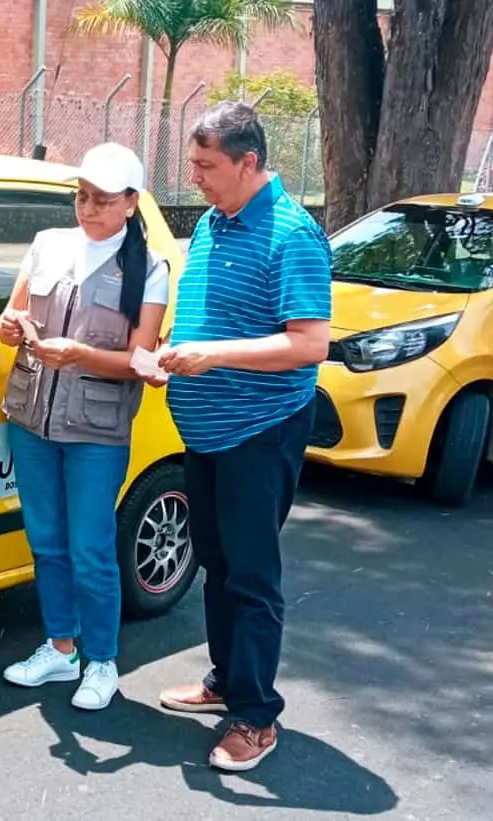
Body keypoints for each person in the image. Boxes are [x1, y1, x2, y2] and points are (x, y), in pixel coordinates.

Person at [153, 101, 332, 772]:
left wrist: (215, 355)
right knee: (217, 562)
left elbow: (309, 343)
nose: (193, 177)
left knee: (252, 575)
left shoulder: (292, 233)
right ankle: (226, 679)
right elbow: (207, 317)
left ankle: (256, 717)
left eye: (206, 165)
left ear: (248, 162)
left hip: (260, 431)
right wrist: (172, 353)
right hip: (209, 431)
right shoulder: (210, 223)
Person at [0, 142, 170, 711]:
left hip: (96, 429)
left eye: (101, 200)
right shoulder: (49, 245)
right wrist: (12, 325)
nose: (88, 209)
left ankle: (102, 660)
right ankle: (61, 647)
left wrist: (80, 355)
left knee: (91, 546)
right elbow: (10, 315)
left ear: (130, 204)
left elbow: (141, 362)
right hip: (31, 418)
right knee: (46, 542)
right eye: (82, 196)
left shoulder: (149, 269)